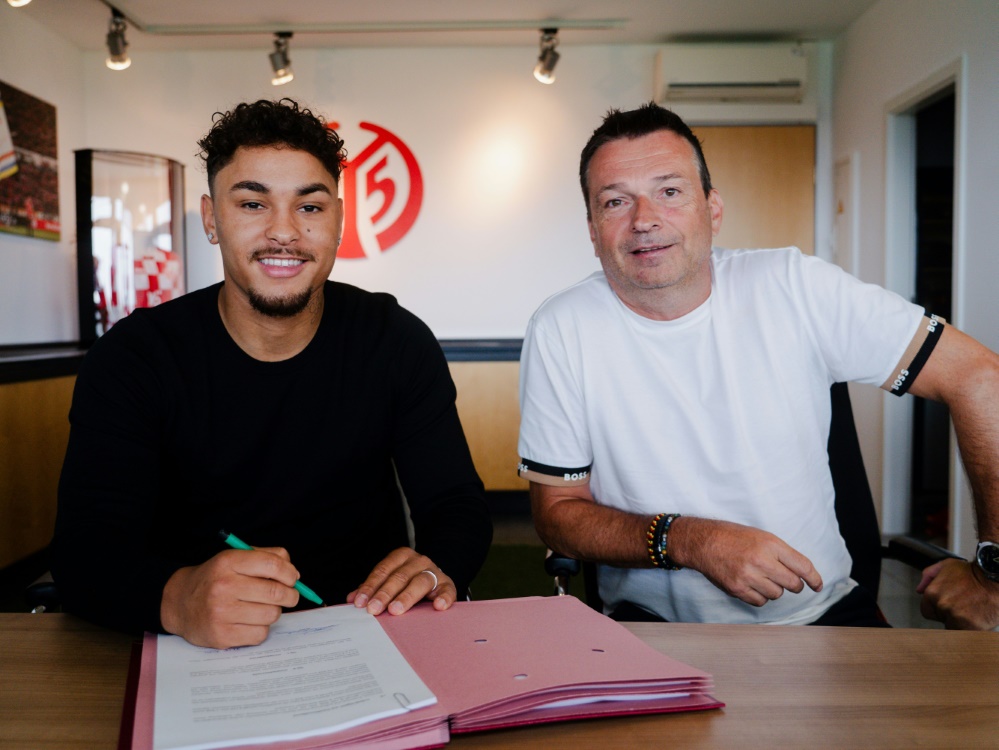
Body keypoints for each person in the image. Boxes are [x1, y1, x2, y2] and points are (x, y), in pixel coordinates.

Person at [518, 102, 999, 629]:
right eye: (615, 201)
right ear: (592, 229)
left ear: (713, 208)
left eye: (670, 192)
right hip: (650, 626)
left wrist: (992, 576)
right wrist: (690, 540)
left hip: (821, 615)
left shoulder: (796, 287)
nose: (645, 220)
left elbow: (979, 377)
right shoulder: (562, 328)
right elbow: (557, 513)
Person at [51, 99, 492, 649]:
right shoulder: (135, 357)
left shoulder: (393, 339)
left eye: (310, 207)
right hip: (192, 649)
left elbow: (457, 507)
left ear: (339, 221)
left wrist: (434, 565)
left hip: (367, 635)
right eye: (253, 203)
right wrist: (180, 596)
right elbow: (83, 552)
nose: (284, 232)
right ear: (212, 219)